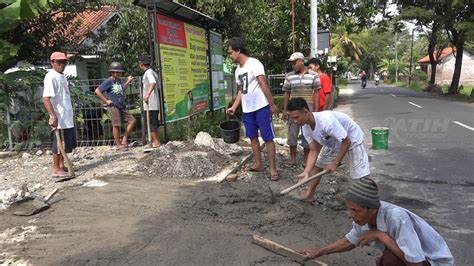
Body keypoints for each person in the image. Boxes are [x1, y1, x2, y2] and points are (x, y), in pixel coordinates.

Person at [301, 177, 454, 266]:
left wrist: (382, 236)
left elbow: (415, 263)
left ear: (372, 209)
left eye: (355, 210)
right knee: (382, 261)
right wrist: (318, 253)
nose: (351, 215)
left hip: (434, 262)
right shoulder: (364, 218)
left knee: (389, 260)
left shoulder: (397, 217)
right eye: (350, 209)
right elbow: (350, 241)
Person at [286, 97, 370, 202]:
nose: (295, 121)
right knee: (316, 167)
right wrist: (306, 171)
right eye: (293, 118)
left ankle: (366, 203)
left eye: (297, 117)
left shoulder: (326, 121)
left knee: (360, 177)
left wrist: (335, 163)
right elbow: (313, 150)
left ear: (306, 112)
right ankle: (309, 195)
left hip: (352, 140)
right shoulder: (305, 127)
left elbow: (346, 142)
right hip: (332, 142)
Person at [226, 37, 279, 181]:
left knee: (268, 138)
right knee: (253, 138)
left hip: (261, 107)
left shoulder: (254, 64)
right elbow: (241, 91)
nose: (230, 56)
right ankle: (258, 164)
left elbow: (263, 84)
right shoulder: (237, 70)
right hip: (247, 110)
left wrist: (272, 104)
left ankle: (273, 168)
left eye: (231, 52)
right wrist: (234, 106)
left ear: (238, 50)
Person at [42, 51, 77, 178]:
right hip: (59, 116)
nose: (62, 64)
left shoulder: (62, 76)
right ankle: (56, 169)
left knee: (64, 143)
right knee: (58, 143)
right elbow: (46, 98)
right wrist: (53, 115)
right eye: (59, 62)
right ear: (52, 62)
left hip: (66, 115)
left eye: (64, 62)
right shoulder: (51, 76)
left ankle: (62, 166)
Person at [282, 52, 320, 166]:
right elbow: (286, 93)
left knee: (307, 136)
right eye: (291, 63)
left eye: (294, 63)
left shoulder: (313, 75)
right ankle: (292, 159)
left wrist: (316, 111)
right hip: (293, 111)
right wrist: (285, 110)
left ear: (301, 61)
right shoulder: (289, 76)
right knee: (292, 135)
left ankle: (306, 160)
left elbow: (317, 93)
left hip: (306, 112)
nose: (292, 65)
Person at [95, 62, 135, 151]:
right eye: (118, 72)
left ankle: (124, 140)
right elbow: (97, 91)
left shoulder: (119, 80)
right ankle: (118, 145)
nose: (120, 74)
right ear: (112, 72)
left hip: (121, 105)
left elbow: (122, 88)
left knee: (132, 121)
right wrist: (106, 100)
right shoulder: (108, 81)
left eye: (120, 72)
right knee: (116, 124)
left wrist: (128, 81)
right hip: (113, 106)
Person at [138, 55, 161, 148]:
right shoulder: (153, 72)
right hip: (152, 103)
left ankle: (156, 142)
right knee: (151, 123)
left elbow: (153, 83)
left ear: (141, 64)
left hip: (151, 103)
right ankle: (152, 142)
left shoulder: (149, 72)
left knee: (151, 123)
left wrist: (147, 94)